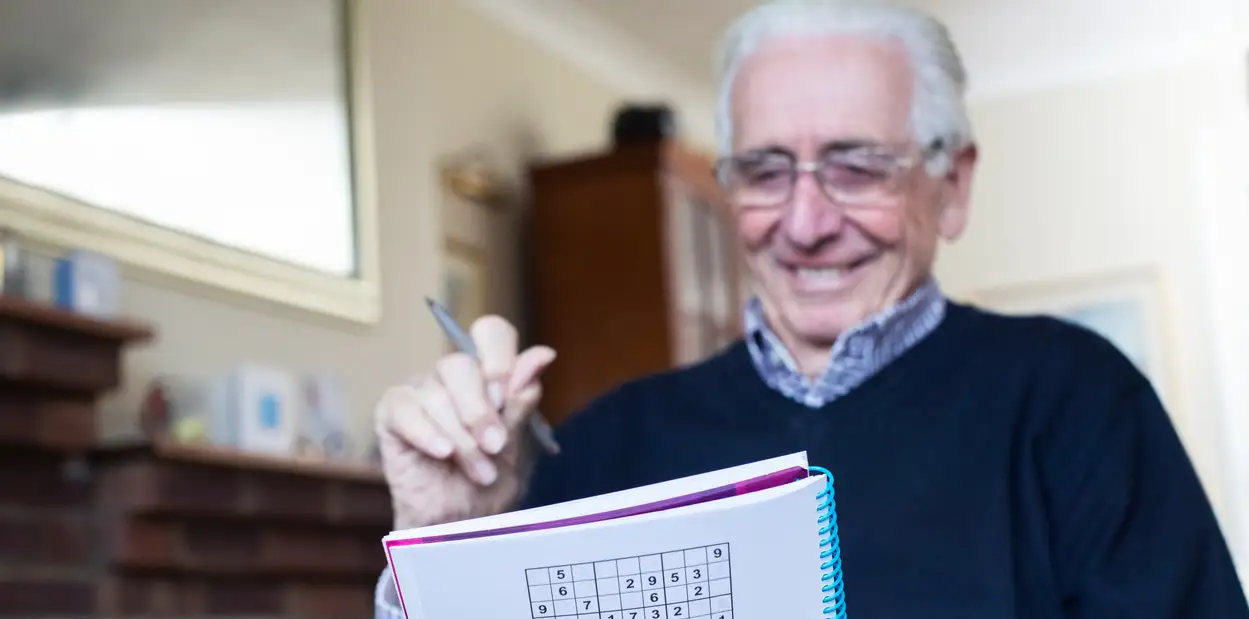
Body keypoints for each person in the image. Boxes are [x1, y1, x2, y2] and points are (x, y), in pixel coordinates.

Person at [373, 0, 1249, 617]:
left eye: (856, 165)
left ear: (951, 184)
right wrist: (441, 542)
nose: (804, 222)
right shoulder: (603, 445)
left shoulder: (1078, 399)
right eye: (762, 170)